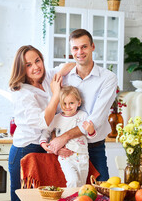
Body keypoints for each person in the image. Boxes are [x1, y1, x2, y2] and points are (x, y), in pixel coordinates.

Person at [8, 45, 75, 201]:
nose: (35, 67)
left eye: (37, 60)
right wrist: (56, 94)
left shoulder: (46, 78)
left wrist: (79, 61)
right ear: (21, 68)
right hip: (25, 150)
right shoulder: (21, 92)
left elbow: (64, 68)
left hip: (45, 145)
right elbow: (43, 121)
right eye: (28, 65)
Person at [49, 29, 118, 181]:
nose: (80, 52)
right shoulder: (63, 76)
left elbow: (96, 119)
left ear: (93, 46)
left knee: (102, 194)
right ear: (71, 51)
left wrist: (63, 137)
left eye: (84, 47)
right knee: (68, 196)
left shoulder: (108, 78)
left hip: (94, 147)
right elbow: (56, 114)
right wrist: (56, 141)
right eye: (75, 48)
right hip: (66, 149)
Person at [40, 85, 96, 187]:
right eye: (64, 103)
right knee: (72, 181)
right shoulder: (56, 118)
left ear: (78, 103)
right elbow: (46, 131)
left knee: (81, 186)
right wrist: (43, 143)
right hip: (66, 158)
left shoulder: (83, 116)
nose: (67, 106)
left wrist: (91, 131)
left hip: (83, 156)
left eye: (71, 103)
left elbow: (90, 136)